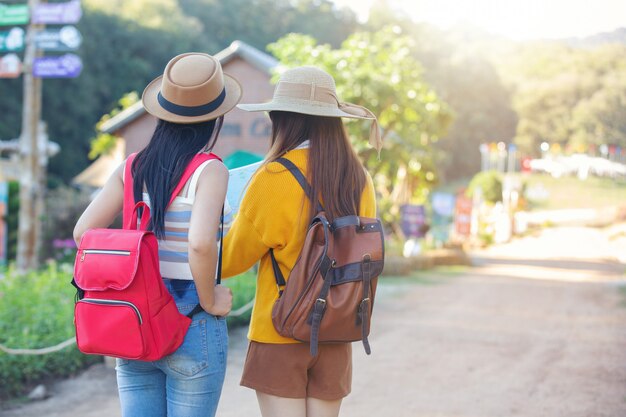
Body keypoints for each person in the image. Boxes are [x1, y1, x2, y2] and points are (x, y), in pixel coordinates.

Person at [73, 52, 241, 417]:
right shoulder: (209, 169)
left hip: (134, 319)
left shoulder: (131, 167)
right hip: (190, 319)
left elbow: (83, 233)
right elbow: (199, 243)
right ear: (215, 116)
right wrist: (211, 299)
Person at [221, 66, 382, 417]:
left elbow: (230, 260)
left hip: (280, 329)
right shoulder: (359, 178)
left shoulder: (272, 176)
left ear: (282, 119)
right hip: (337, 327)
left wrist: (230, 224)